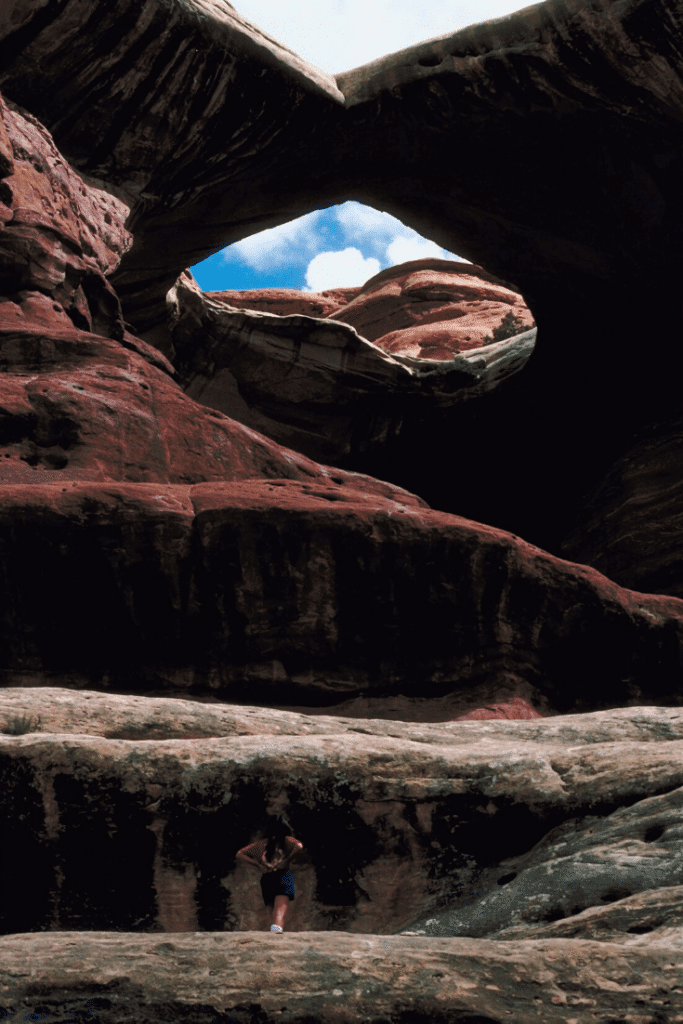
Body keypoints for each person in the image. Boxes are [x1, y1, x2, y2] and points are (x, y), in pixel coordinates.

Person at [236, 817, 304, 932]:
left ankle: (274, 932)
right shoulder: (286, 840)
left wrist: (258, 865)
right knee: (279, 913)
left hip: (267, 878)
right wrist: (287, 860)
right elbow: (299, 846)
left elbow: (239, 854)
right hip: (282, 876)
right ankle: (276, 935)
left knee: (272, 912)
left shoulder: (261, 844)